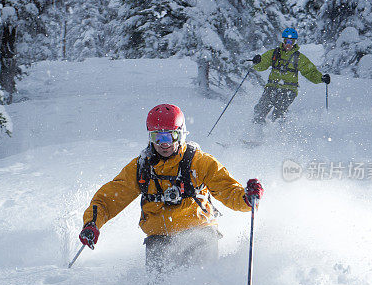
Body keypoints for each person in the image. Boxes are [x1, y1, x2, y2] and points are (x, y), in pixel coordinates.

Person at [79, 104, 263, 270]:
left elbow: (227, 188)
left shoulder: (199, 162)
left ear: (181, 134)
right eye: (157, 137)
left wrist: (246, 198)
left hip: (200, 234)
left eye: (169, 135)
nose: (164, 143)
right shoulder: (141, 167)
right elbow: (109, 198)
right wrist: (92, 223)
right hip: (159, 239)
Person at [252, 27, 330, 124]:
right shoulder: (274, 53)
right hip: (272, 87)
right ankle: (257, 132)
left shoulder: (298, 57)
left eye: (291, 42)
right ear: (283, 41)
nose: (288, 44)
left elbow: (310, 71)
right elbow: (262, 65)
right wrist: (257, 62)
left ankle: (277, 134)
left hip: (288, 89)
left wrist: (321, 78)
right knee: (260, 109)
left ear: (294, 42)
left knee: (278, 113)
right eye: (286, 41)